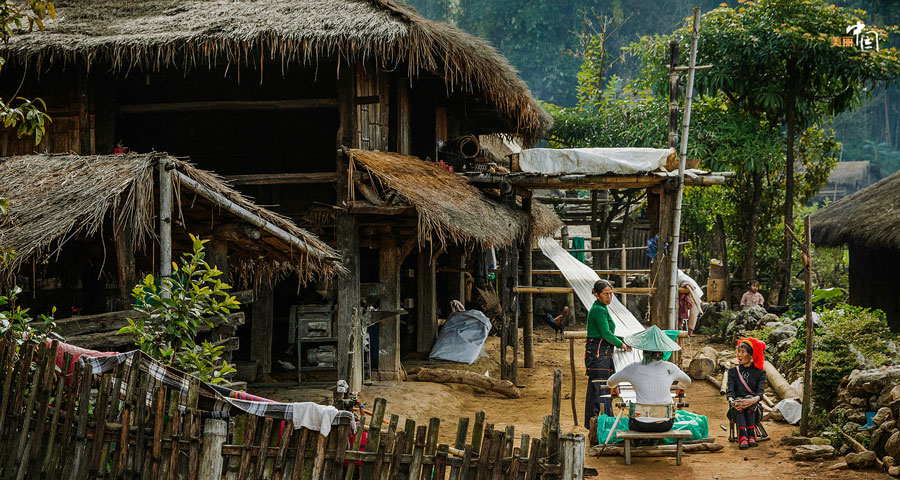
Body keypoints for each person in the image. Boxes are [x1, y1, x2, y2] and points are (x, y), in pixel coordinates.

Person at [608, 326, 691, 433]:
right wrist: (680, 387)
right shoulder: (671, 368)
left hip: (640, 424)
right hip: (664, 424)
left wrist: (614, 387)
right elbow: (687, 381)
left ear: (644, 351)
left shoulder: (633, 368)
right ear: (662, 351)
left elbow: (610, 381)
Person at [584, 279, 631, 428]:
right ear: (597, 295)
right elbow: (605, 333)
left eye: (611, 293)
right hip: (599, 355)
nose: (609, 296)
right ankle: (608, 426)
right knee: (603, 392)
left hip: (598, 353)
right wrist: (622, 344)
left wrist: (623, 339)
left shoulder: (601, 308)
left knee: (595, 392)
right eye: (606, 294)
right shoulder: (598, 310)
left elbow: (605, 333)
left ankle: (592, 425)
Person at [727, 338, 767, 449]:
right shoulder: (733, 372)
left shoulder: (760, 373)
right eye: (738, 352)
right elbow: (730, 392)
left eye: (742, 352)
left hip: (754, 409)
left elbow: (760, 393)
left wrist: (751, 401)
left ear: (751, 355)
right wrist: (733, 401)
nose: (739, 355)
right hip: (736, 407)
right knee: (740, 405)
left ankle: (749, 435)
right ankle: (744, 437)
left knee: (749, 403)